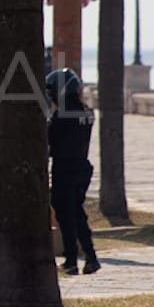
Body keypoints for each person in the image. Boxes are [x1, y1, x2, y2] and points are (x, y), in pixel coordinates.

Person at [45, 68, 99, 275]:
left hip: (65, 168)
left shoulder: (62, 115)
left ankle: (71, 260)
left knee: (66, 214)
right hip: (82, 166)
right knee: (77, 212)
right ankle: (91, 256)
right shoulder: (86, 111)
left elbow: (51, 141)